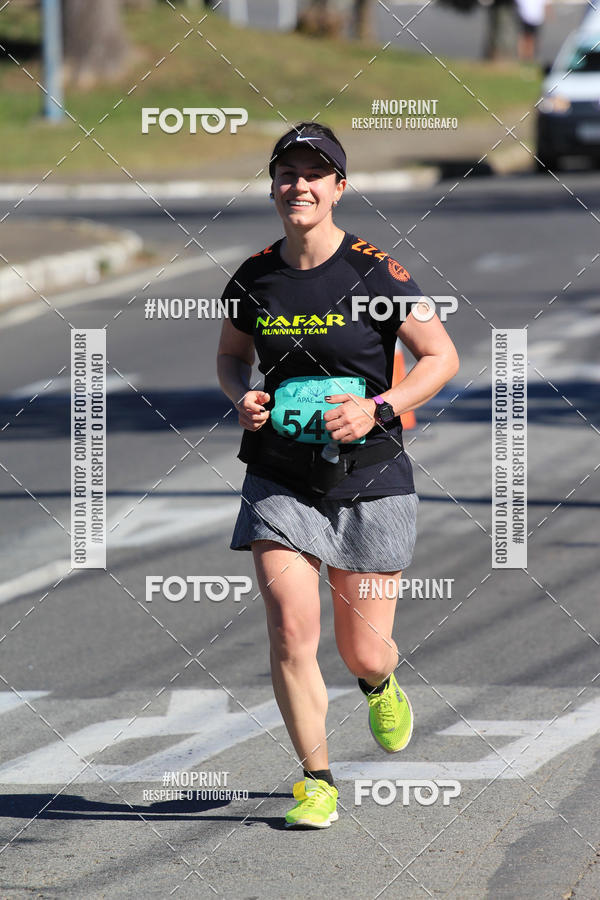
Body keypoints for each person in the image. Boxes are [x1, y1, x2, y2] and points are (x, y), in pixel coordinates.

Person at [216, 122, 459, 829]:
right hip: (279, 477)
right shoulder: (254, 276)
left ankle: (378, 683)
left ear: (338, 188)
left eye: (313, 174)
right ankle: (316, 780)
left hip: (369, 474)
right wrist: (242, 397)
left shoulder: (376, 272)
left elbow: (440, 358)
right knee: (292, 630)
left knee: (363, 646)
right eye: (286, 174)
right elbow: (232, 357)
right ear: (272, 188)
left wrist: (377, 405)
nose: (299, 185)